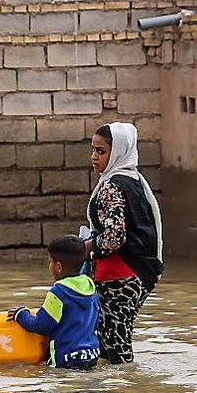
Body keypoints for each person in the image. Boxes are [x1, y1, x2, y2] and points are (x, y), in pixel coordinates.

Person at [84, 122, 164, 364]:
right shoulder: (133, 180)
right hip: (136, 272)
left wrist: (84, 247)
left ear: (118, 151)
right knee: (111, 341)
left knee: (115, 346)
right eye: (93, 150)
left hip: (120, 275)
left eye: (101, 151)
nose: (94, 157)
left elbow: (115, 237)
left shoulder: (112, 186)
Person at [8, 236, 100, 370]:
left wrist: (21, 314)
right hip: (91, 355)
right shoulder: (90, 286)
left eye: (50, 261)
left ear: (58, 266)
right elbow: (96, 322)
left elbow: (41, 326)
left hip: (66, 360)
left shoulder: (58, 292)